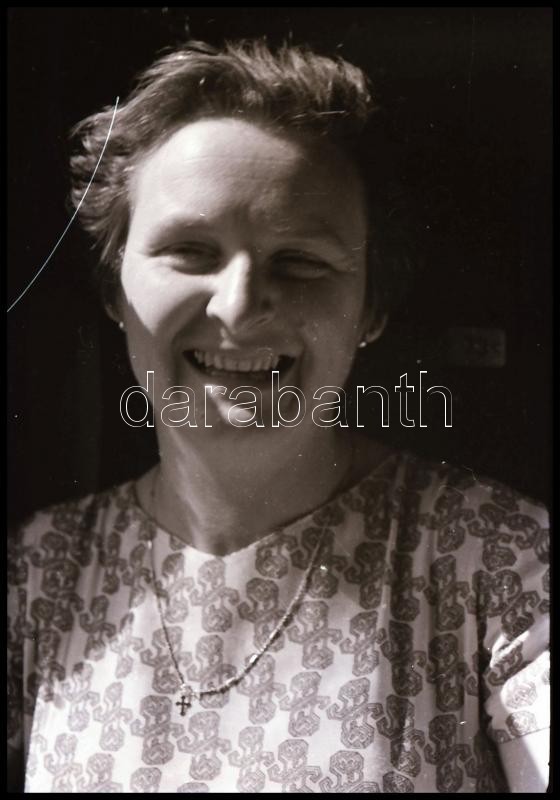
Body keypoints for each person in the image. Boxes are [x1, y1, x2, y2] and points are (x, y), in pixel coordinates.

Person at [7, 39, 549, 793]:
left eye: (300, 262)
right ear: (113, 289)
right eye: (190, 250)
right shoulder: (38, 573)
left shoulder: (504, 563)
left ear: (371, 306)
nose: (238, 306)